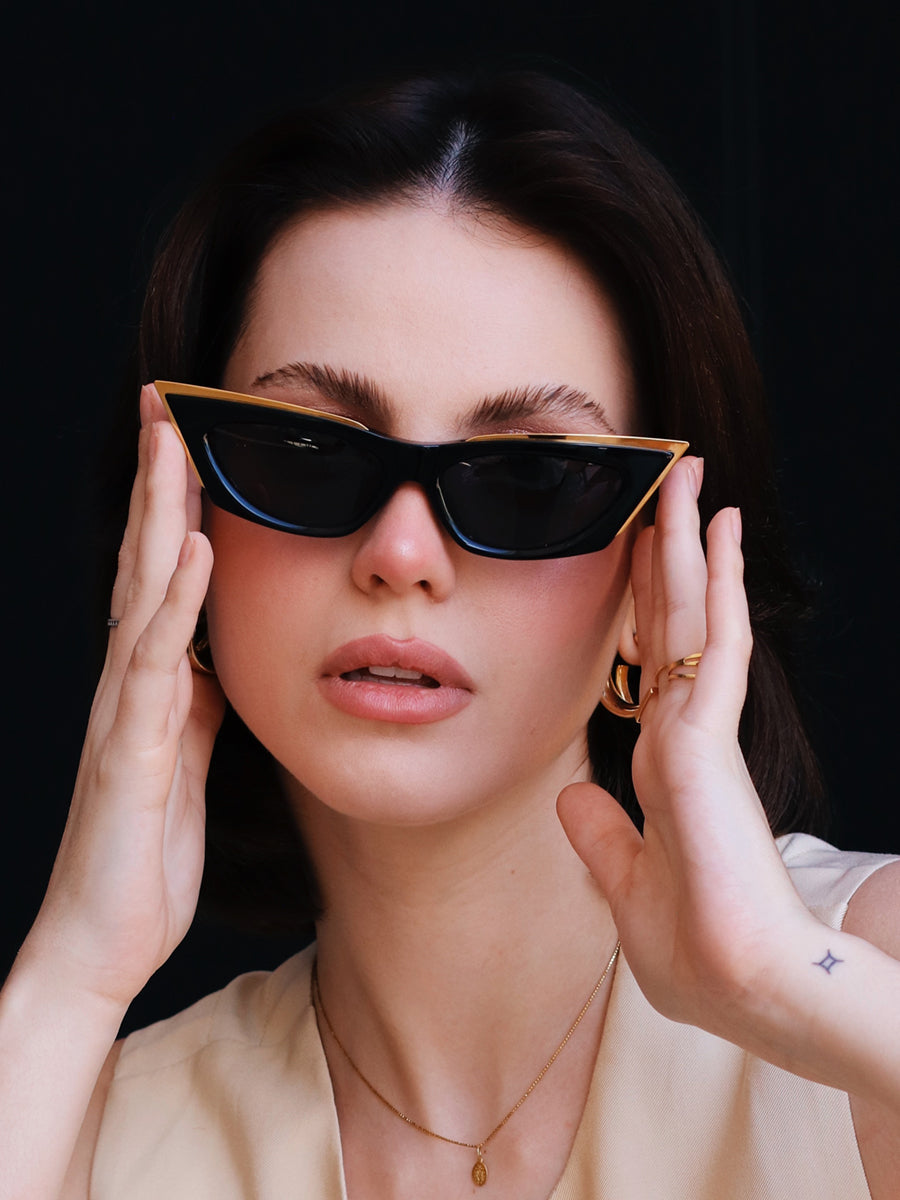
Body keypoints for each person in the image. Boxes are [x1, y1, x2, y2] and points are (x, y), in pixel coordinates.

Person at [2, 68, 899, 1200]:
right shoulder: (82, 1126)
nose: (402, 553)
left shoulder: (865, 976)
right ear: (180, 514)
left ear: (655, 576)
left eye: (528, 477)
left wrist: (780, 981)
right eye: (310, 452)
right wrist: (76, 968)